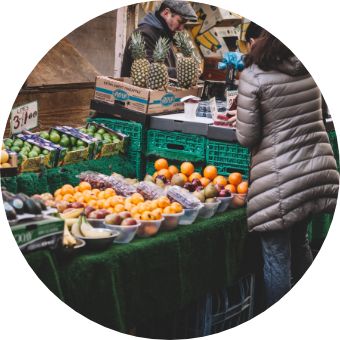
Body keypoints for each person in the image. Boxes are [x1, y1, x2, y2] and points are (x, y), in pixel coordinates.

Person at [236, 28, 339, 308]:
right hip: (316, 171)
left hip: (279, 180)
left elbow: (246, 137)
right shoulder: (308, 69)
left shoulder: (254, 76)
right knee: (300, 243)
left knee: (277, 258)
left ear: (258, 41)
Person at [121, 0, 197, 79]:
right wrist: (183, 72)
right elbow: (149, 71)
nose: (181, 28)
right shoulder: (144, 34)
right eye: (180, 22)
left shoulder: (165, 34)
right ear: (166, 13)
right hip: (136, 91)